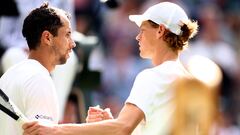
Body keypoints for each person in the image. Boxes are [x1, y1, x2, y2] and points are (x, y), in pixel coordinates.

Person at [22, 2, 198, 135]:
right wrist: (110, 123)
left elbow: (123, 128)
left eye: (142, 30)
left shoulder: (152, 76)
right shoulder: (190, 82)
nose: (137, 37)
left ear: (160, 30)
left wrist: (55, 130)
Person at [0, 2, 75, 135]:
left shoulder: (6, 77)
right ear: (47, 38)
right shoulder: (39, 80)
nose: (73, 43)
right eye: (67, 35)